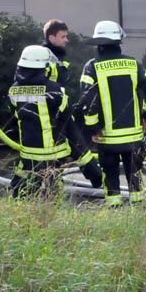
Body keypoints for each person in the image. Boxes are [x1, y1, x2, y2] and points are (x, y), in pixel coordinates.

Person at [80, 21, 146, 207]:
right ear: (118, 42)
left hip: (107, 139)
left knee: (110, 173)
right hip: (133, 137)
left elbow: (87, 101)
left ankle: (114, 206)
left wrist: (93, 128)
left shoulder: (92, 67)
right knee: (135, 173)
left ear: (98, 44)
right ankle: (138, 206)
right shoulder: (133, 64)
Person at [41, 18, 103, 187]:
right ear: (52, 37)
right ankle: (50, 185)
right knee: (64, 149)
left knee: (78, 145)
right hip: (50, 115)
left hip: (61, 111)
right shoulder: (43, 57)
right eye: (63, 37)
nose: (66, 40)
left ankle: (97, 179)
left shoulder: (55, 56)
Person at [8, 45, 73, 198]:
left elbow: (15, 115)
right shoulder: (54, 90)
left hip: (27, 154)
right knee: (53, 190)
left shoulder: (13, 90)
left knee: (24, 191)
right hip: (53, 154)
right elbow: (65, 116)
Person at [42, 19, 71, 86]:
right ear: (51, 38)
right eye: (63, 37)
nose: (66, 40)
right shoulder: (42, 58)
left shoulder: (58, 57)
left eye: (66, 36)